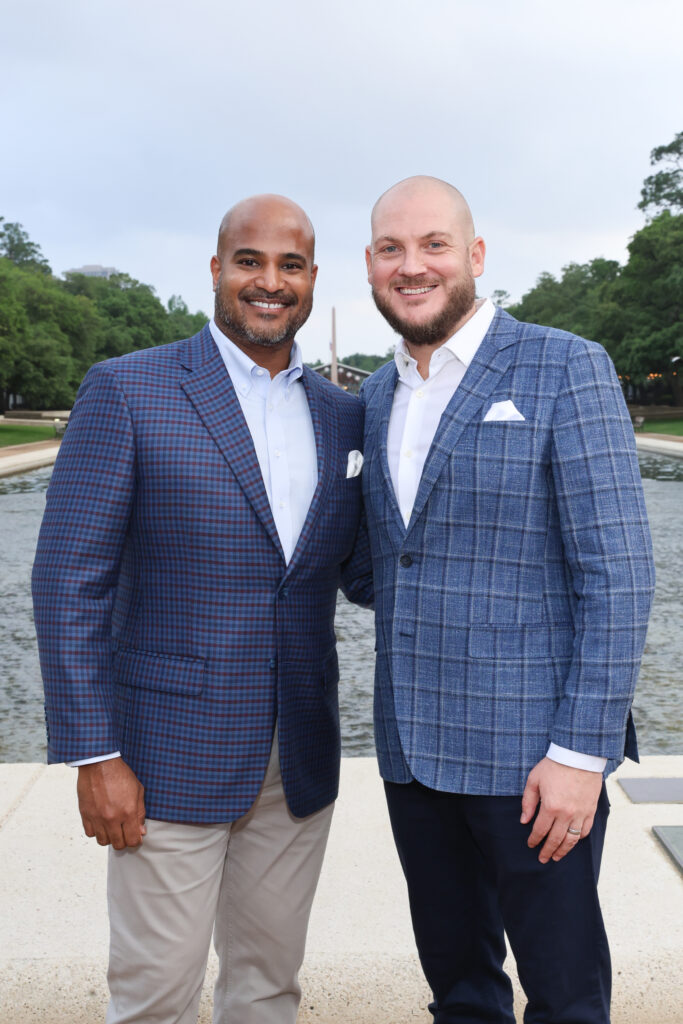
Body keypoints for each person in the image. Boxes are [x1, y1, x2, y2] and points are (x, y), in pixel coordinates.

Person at [32, 194, 371, 1024]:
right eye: (249, 260)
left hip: (298, 758)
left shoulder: (343, 414)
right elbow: (67, 582)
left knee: (267, 988)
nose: (269, 281)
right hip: (162, 758)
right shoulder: (127, 389)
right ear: (216, 270)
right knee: (155, 996)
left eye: (289, 265)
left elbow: (363, 573)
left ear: (312, 279)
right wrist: (94, 755)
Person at [361, 175, 655, 1024]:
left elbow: (619, 573)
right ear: (371, 265)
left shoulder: (564, 365)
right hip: (413, 750)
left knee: (564, 997)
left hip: (536, 760)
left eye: (432, 245)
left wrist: (580, 754)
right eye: (390, 249)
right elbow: (387, 563)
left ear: (475, 255)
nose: (411, 266)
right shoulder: (376, 394)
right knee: (459, 992)